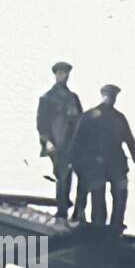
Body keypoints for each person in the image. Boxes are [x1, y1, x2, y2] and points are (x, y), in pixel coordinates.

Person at [68, 83, 135, 231]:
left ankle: (115, 225)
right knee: (98, 192)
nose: (111, 99)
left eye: (113, 96)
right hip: (96, 163)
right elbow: (77, 140)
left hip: (114, 163)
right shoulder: (90, 116)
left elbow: (129, 139)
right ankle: (100, 226)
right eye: (108, 96)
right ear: (102, 96)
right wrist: (75, 161)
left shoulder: (118, 118)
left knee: (119, 192)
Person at [36, 61, 84, 220]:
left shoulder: (73, 98)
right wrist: (47, 142)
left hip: (72, 143)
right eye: (59, 73)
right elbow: (41, 124)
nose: (62, 76)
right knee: (62, 174)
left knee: (71, 176)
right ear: (55, 75)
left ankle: (73, 211)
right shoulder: (47, 98)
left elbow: (80, 121)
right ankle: (62, 211)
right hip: (55, 143)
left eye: (64, 73)